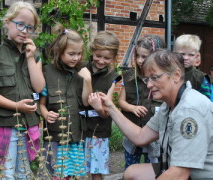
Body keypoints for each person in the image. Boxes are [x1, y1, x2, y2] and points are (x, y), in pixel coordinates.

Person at [98, 49, 213, 179]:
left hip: (201, 176)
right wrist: (111, 107)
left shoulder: (189, 110)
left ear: (176, 75)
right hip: (179, 169)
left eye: (154, 77)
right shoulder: (168, 105)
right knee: (132, 172)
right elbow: (140, 137)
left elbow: (179, 174)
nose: (149, 85)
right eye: (147, 79)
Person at [0, 1, 45, 179]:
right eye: (20, 24)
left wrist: (31, 58)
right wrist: (16, 105)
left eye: (30, 27)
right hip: (4, 124)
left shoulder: (35, 55)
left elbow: (39, 87)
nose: (25, 30)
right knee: (6, 173)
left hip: (28, 123)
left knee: (24, 172)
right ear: (8, 22)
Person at [39, 23, 92, 179]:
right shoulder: (47, 72)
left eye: (79, 53)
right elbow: (41, 104)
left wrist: (88, 80)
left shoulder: (81, 72)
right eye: (71, 54)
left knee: (72, 175)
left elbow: (86, 102)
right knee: (54, 173)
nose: (76, 58)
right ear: (59, 52)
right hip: (55, 137)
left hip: (75, 137)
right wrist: (45, 114)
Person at [118, 35, 165, 169]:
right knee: (131, 168)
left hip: (154, 136)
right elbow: (121, 101)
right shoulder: (129, 77)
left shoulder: (162, 79)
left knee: (153, 170)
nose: (139, 60)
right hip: (132, 134)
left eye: (144, 57)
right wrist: (132, 108)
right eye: (137, 56)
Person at [83, 31, 121, 180]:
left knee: (96, 169)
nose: (101, 61)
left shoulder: (112, 77)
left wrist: (98, 107)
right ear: (92, 51)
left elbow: (107, 111)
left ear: (113, 58)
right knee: (75, 166)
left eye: (107, 58)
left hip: (99, 130)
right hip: (79, 127)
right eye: (98, 56)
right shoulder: (82, 69)